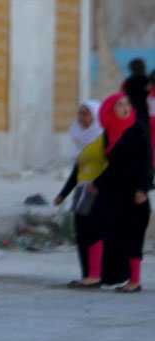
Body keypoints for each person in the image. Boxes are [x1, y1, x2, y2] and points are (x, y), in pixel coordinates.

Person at [73, 92, 153, 293]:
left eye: (127, 103)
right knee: (95, 227)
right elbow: (115, 165)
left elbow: (147, 161)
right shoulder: (109, 132)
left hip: (135, 193)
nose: (125, 108)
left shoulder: (138, 128)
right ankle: (94, 276)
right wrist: (98, 183)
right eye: (119, 105)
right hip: (113, 191)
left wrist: (143, 188)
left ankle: (134, 282)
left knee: (133, 236)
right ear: (110, 110)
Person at [54, 100, 107, 283]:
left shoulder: (103, 137)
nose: (82, 118)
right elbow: (77, 171)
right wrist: (62, 194)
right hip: (81, 191)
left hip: (97, 192)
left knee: (94, 232)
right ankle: (86, 274)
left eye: (86, 114)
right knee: (81, 233)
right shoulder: (81, 140)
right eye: (80, 114)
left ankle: (95, 275)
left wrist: (101, 184)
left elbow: (112, 165)